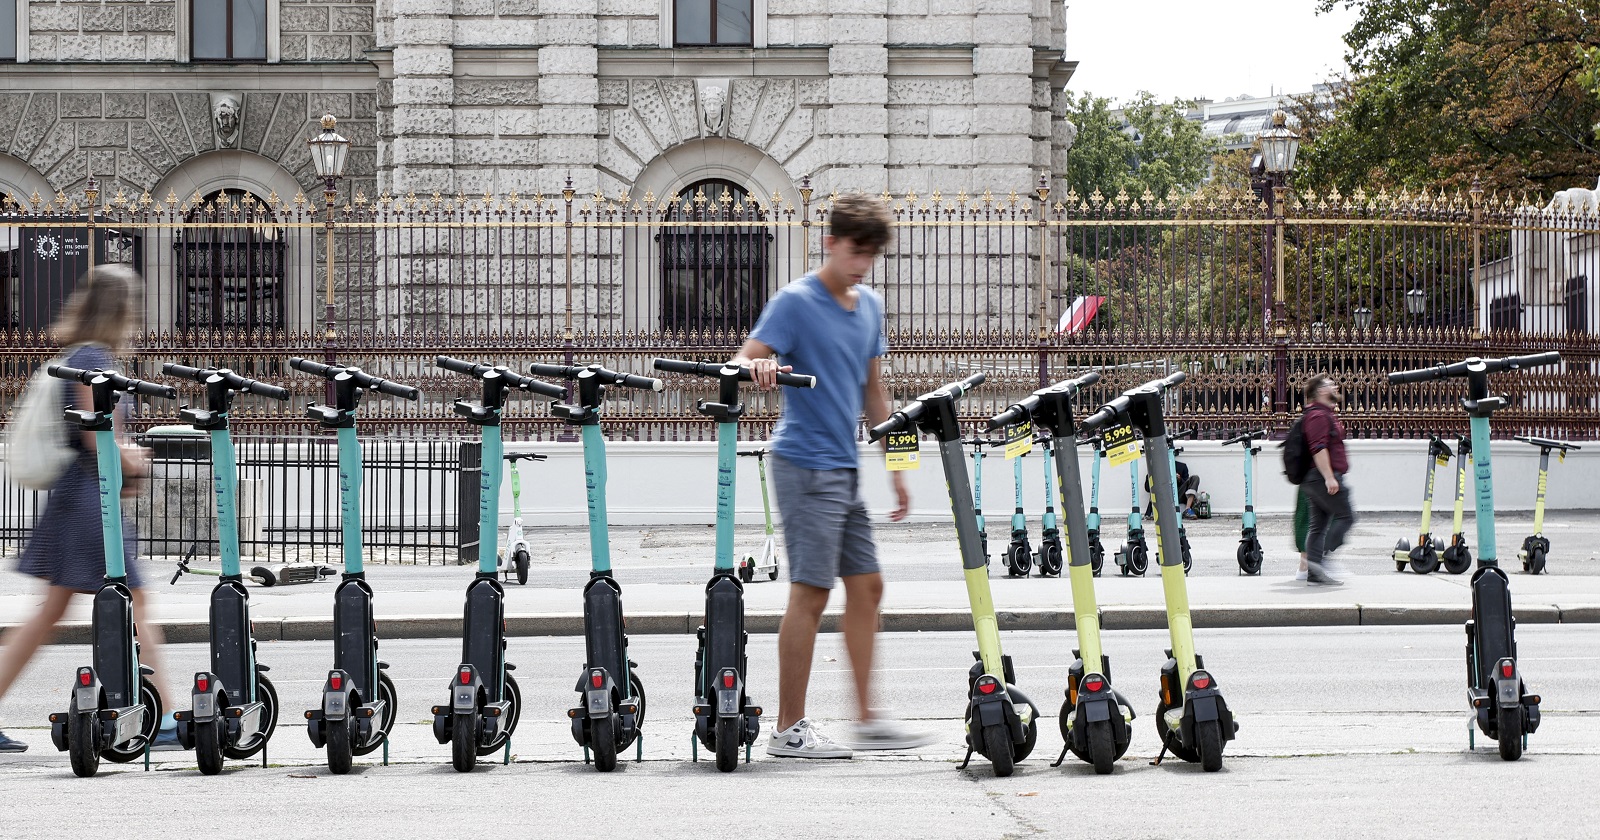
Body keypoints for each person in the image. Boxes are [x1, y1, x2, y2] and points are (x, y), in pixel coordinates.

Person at [733, 193, 933, 759]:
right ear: (831, 242)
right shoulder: (796, 301)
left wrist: (897, 467)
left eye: (870, 255)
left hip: (843, 467)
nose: (861, 264)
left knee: (868, 587)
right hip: (802, 463)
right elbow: (743, 359)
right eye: (854, 251)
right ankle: (788, 729)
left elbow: (875, 391)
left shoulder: (869, 306)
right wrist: (762, 366)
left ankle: (868, 719)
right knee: (812, 593)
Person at [0, 265, 171, 753]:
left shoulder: (79, 357)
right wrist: (134, 456)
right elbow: (100, 441)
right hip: (90, 501)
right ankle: (161, 720)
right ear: (121, 310)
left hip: (81, 498)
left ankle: (159, 716)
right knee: (134, 603)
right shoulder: (94, 360)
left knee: (54, 612)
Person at [1301, 373, 1353, 586]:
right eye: (1330, 385)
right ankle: (1320, 561)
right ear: (1321, 391)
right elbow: (1318, 448)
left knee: (1318, 526)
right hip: (1321, 477)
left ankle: (1315, 573)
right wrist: (1330, 478)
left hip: (1315, 478)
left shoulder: (1322, 414)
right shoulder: (1318, 416)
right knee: (1346, 516)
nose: (1334, 387)